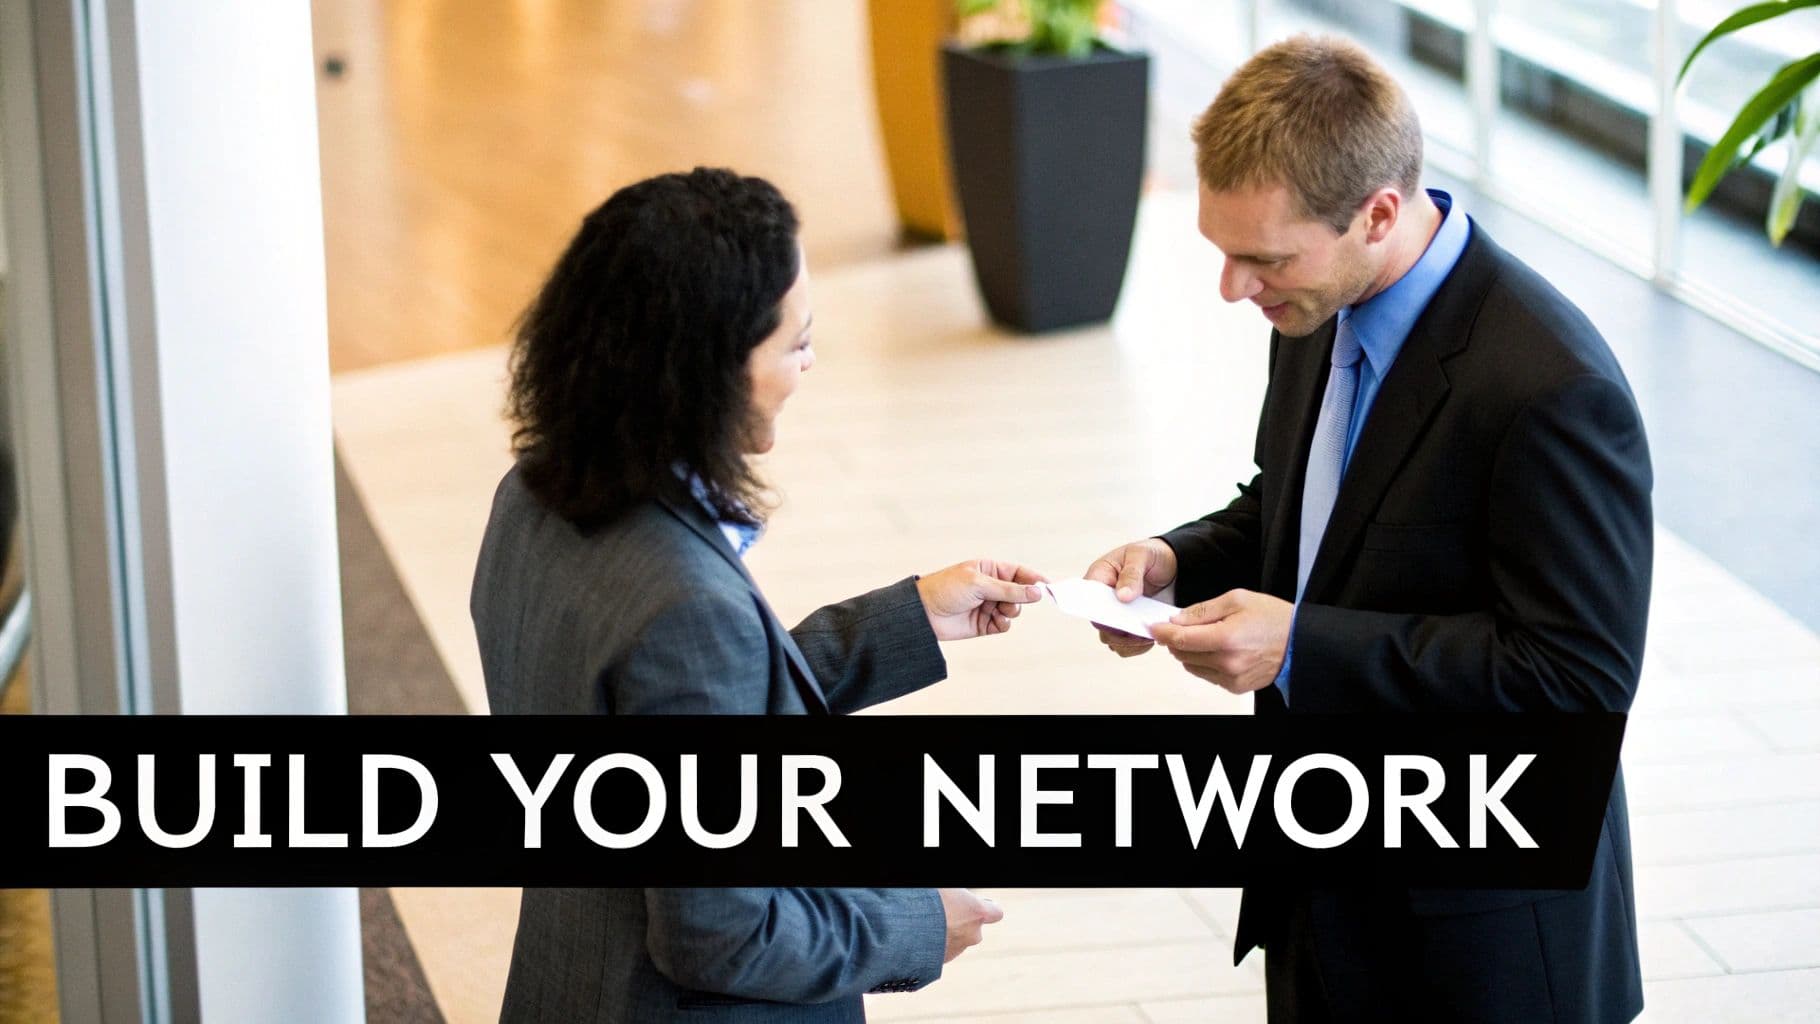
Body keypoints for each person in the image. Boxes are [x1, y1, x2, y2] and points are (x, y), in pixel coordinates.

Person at [1085, 36, 1651, 1022]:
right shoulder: (1320, 309)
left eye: (1260, 258)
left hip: (1476, 934)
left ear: (1377, 213)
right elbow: (1302, 509)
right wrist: (1173, 559)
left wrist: (1301, 646)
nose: (1232, 288)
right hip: (1324, 886)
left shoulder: (1549, 386)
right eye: (1221, 251)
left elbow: (1574, 680)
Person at [472, 167, 1040, 1022]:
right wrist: (916, 925)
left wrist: (908, 618)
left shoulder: (533, 497)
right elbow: (720, 935)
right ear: (709, 371)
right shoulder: (684, 603)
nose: (808, 368)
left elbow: (672, 711)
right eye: (796, 343)